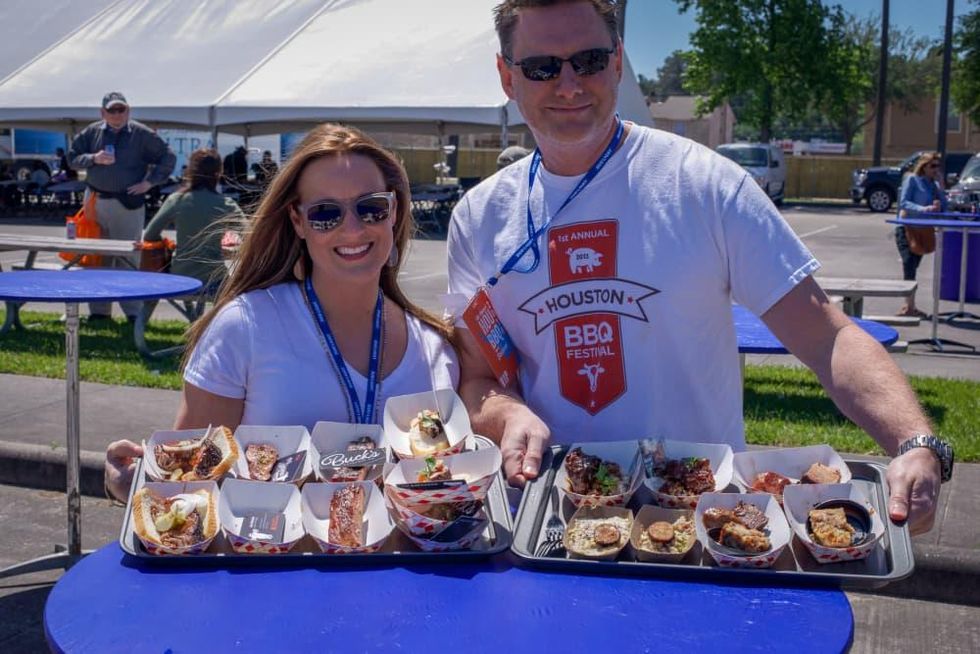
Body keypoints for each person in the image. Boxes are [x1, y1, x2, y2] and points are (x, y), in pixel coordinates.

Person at [446, 0, 949, 535]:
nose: (568, 85)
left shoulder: (706, 185)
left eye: (588, 60)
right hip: (555, 518)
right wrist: (508, 414)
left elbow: (827, 337)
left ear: (616, 62)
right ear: (507, 77)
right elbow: (477, 377)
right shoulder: (479, 217)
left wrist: (915, 442)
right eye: (542, 67)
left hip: (705, 519)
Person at [105, 124, 459, 501]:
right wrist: (132, 484)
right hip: (266, 541)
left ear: (394, 211)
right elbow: (186, 481)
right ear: (298, 221)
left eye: (371, 208)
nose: (353, 228)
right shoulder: (245, 327)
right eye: (326, 213)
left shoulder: (436, 350)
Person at [68, 91, 176, 321]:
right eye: (112, 110)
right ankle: (99, 312)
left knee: (129, 257)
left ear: (128, 110)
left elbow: (168, 157)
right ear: (103, 112)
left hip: (127, 204)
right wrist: (93, 158)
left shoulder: (142, 134)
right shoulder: (91, 132)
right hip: (95, 201)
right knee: (97, 258)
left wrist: (149, 182)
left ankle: (133, 313)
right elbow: (72, 158)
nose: (117, 114)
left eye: (121, 109)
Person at [142, 148, 244, 292]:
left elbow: (149, 234)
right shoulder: (226, 204)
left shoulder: (177, 200)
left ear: (190, 171)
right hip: (214, 280)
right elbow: (251, 236)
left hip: (181, 277)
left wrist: (169, 244)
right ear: (219, 173)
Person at [895, 152, 946, 318]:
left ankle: (910, 305)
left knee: (914, 266)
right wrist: (923, 209)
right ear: (924, 167)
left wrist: (941, 187)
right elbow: (904, 203)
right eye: (933, 166)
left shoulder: (933, 185)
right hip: (907, 228)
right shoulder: (912, 180)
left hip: (924, 230)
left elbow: (945, 207)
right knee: (909, 264)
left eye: (938, 166)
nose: (936, 170)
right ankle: (908, 306)